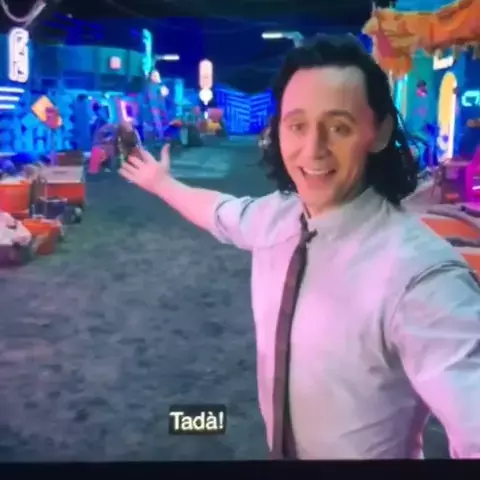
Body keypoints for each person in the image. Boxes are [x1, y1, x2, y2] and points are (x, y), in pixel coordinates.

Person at [119, 35, 480, 459]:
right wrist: (161, 183)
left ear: (379, 132)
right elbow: (220, 212)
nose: (313, 150)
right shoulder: (278, 218)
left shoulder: (422, 278)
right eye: (297, 125)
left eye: (339, 127)